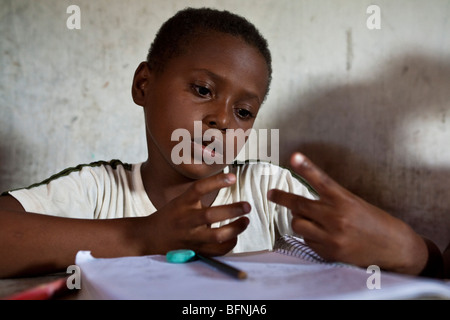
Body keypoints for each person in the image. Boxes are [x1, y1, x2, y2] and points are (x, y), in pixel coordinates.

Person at [0, 7, 445, 280]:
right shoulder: (98, 190)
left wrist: (411, 251)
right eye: (202, 90)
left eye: (244, 112)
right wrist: (141, 236)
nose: (220, 120)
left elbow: (359, 252)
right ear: (143, 85)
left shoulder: (267, 192)